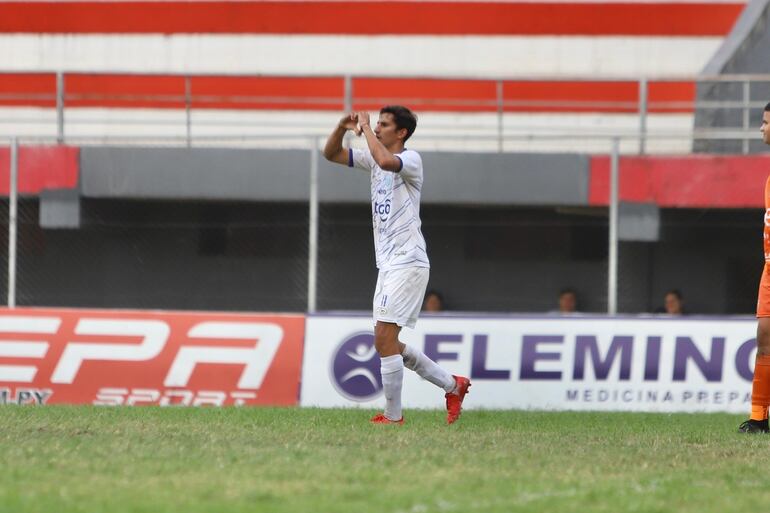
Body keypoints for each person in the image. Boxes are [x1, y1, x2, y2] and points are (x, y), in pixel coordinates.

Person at [323, 105, 471, 425]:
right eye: (376, 123)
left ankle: (393, 417)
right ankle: (452, 385)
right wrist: (342, 127)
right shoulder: (373, 159)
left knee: (384, 339)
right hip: (389, 264)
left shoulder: (411, 160)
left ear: (401, 133)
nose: (376, 128)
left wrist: (364, 129)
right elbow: (331, 154)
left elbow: (387, 160)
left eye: (384, 124)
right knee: (385, 341)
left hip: (408, 260)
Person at [740, 102, 770, 433]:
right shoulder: (769, 180)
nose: (761, 128)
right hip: (769, 270)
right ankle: (759, 419)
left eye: (765, 122)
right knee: (765, 337)